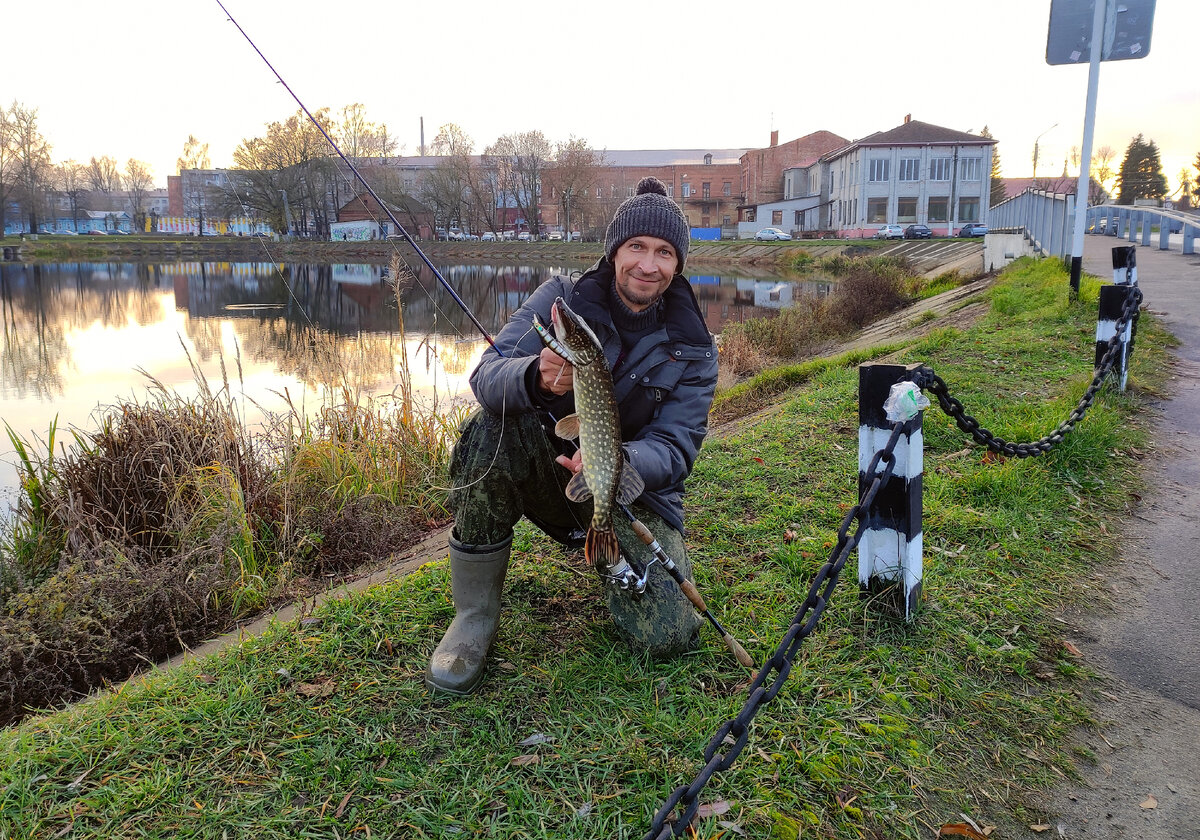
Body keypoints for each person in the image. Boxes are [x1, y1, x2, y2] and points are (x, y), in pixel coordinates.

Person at [425, 177, 719, 695]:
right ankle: (474, 616)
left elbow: (676, 448)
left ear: (678, 265)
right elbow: (486, 376)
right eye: (636, 247)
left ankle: (608, 558)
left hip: (631, 492)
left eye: (664, 252)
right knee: (491, 426)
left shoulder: (694, 346)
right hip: (549, 470)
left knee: (669, 635)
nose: (648, 265)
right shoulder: (561, 299)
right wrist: (533, 378)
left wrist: (618, 461)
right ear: (614, 251)